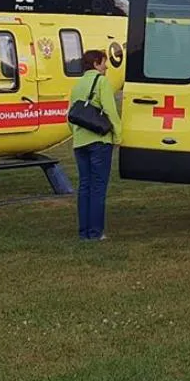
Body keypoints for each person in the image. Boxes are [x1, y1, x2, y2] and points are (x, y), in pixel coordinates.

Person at [67, 49, 122, 241]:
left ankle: (84, 232)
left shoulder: (77, 85)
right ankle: (96, 232)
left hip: (79, 142)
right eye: (104, 63)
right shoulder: (102, 82)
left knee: (84, 186)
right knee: (98, 187)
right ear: (96, 63)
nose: (106, 67)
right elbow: (110, 111)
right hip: (99, 141)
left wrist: (76, 134)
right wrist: (118, 136)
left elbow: (70, 115)